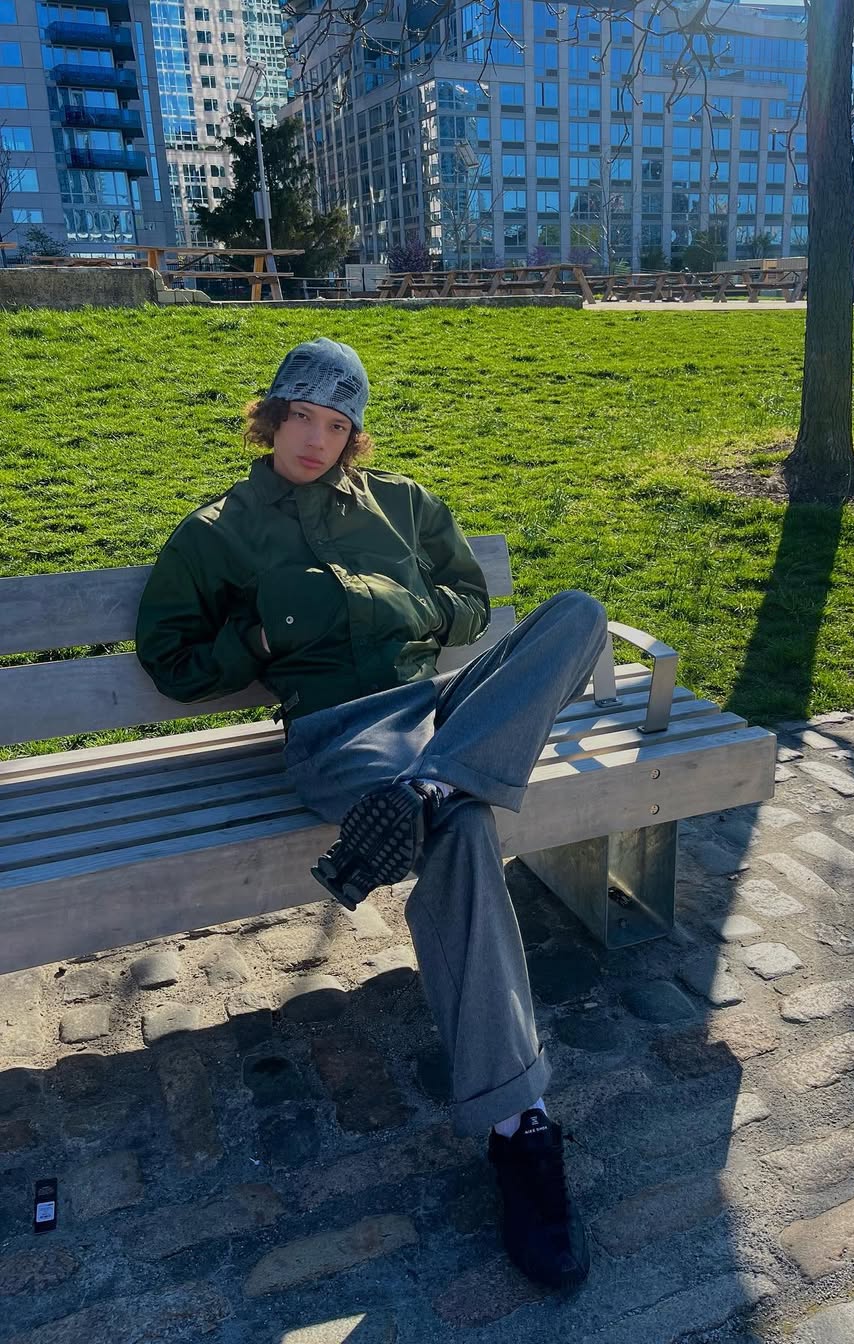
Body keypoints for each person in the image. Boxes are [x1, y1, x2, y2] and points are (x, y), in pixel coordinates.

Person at [135, 337, 607, 1291]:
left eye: (335, 424)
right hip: (340, 734)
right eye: (300, 418)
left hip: (438, 706)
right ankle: (519, 1127)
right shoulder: (218, 531)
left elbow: (469, 602)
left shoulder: (404, 503)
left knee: (578, 614)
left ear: (354, 434)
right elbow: (172, 658)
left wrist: (406, 606)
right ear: (271, 418)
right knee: (464, 829)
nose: (314, 440)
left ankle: (433, 783)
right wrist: (262, 635)